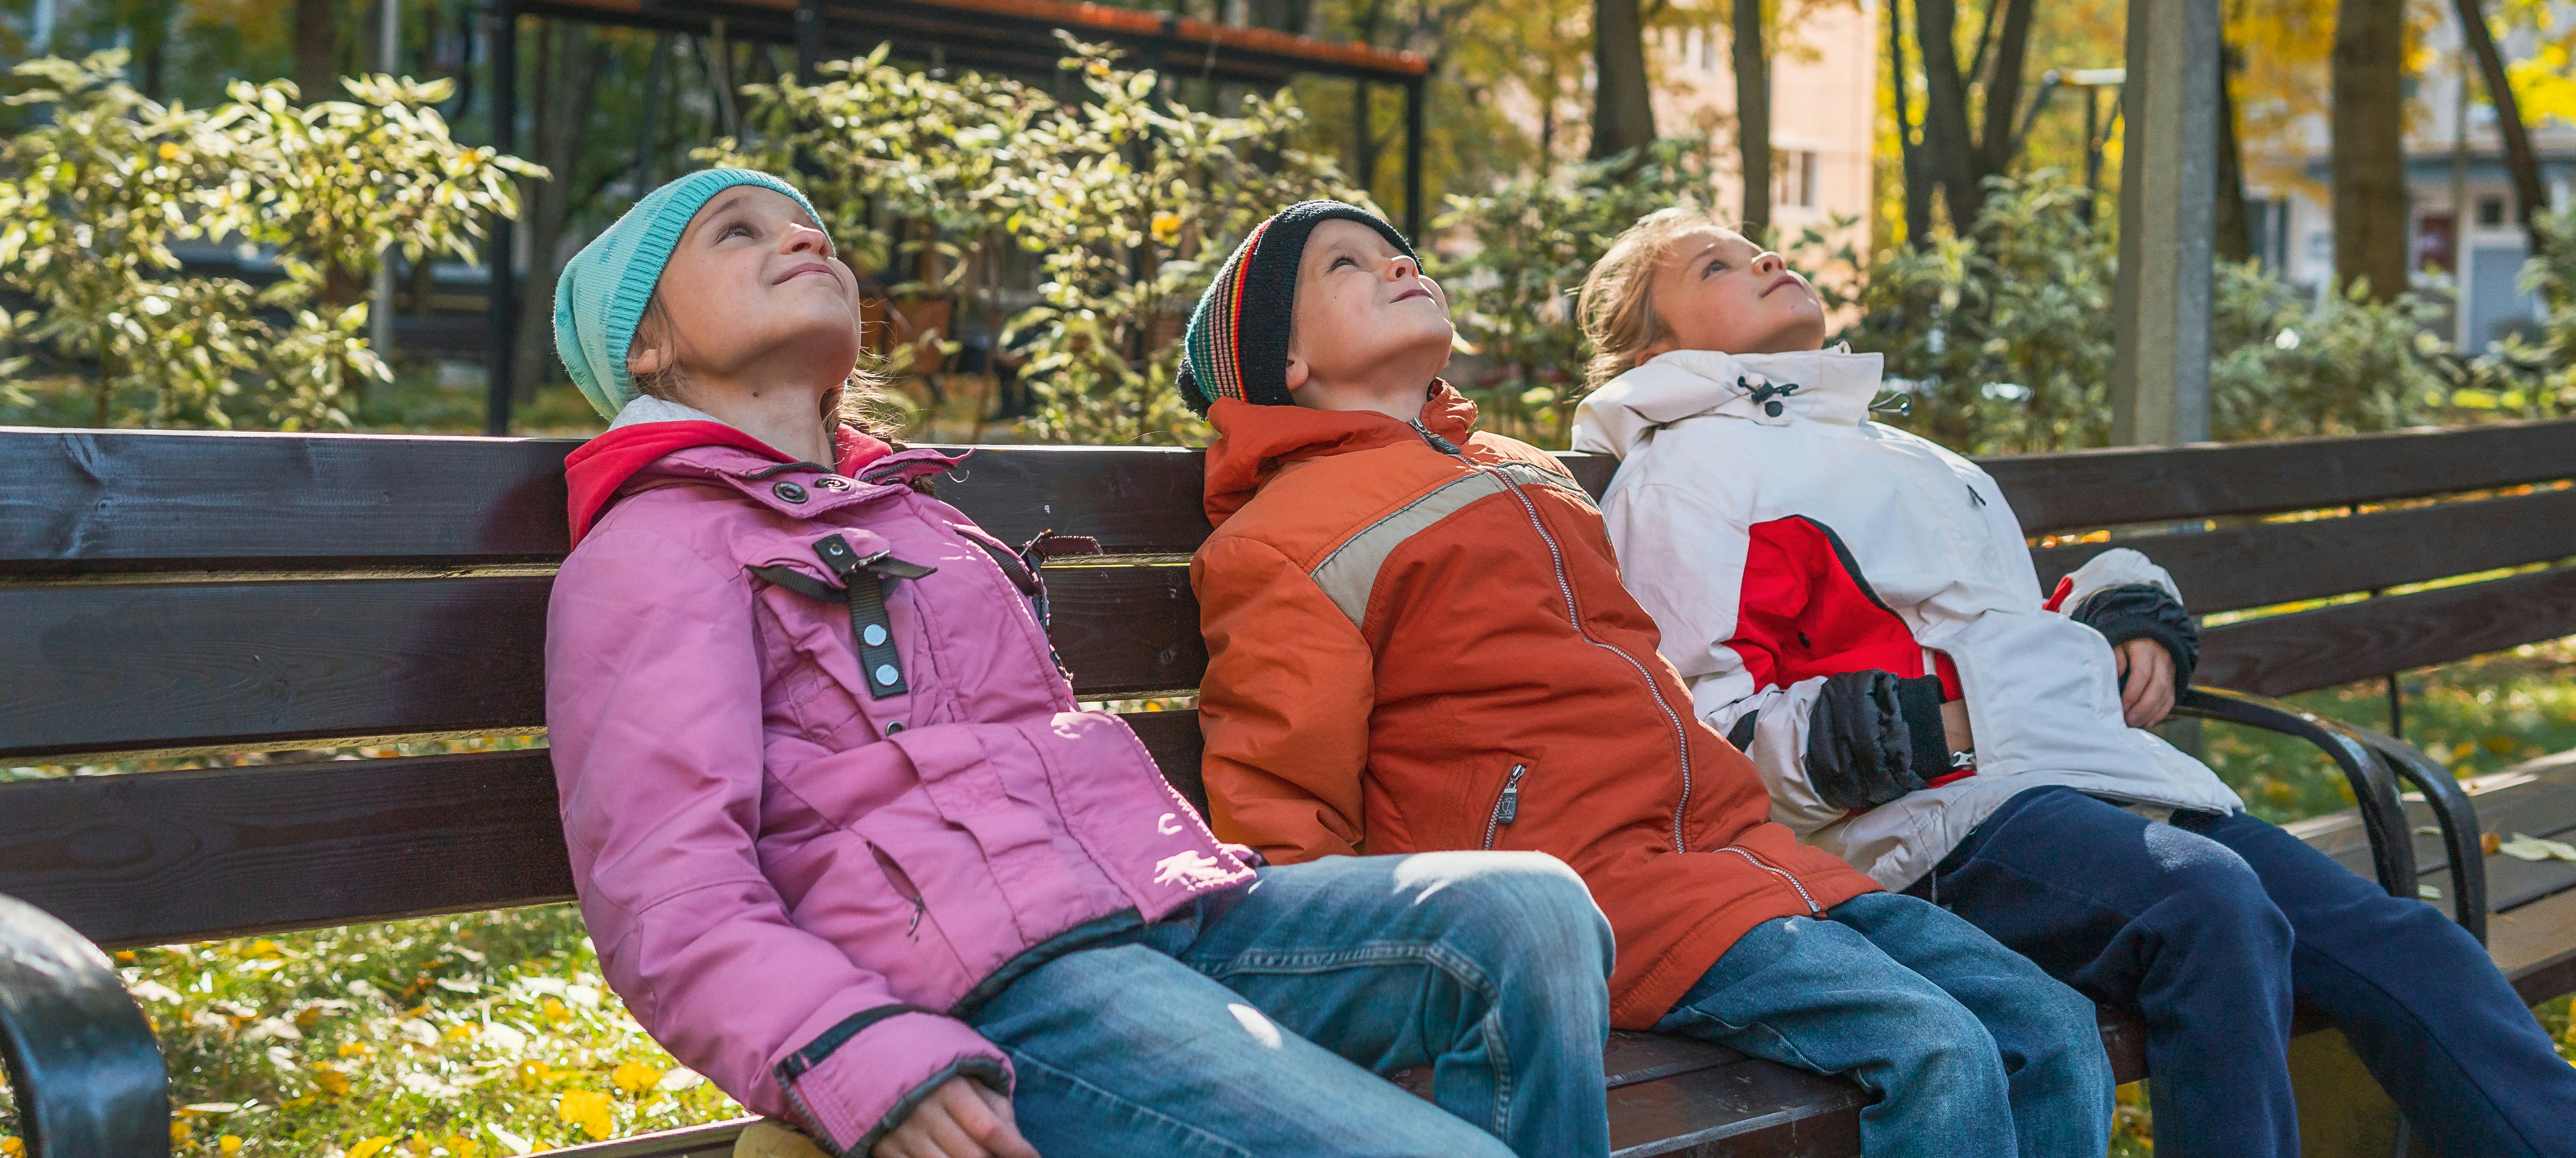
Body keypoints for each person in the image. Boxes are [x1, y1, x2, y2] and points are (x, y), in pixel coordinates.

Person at [543, 168, 1621, 1158]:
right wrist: (854, 1052)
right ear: (646, 348)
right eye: (738, 233)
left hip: (1161, 922)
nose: (799, 238)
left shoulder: (919, 524)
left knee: (1528, 914)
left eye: (810, 228)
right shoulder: (656, 551)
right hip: (989, 991)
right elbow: (668, 893)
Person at [1570, 205, 2576, 1158]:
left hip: (2080, 783)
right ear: (1658, 353)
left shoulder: (1901, 450)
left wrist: (2124, 609)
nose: (1763, 261)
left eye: (1756, 248)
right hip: (1928, 827)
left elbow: (2002, 618)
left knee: (2404, 944)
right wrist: (1927, 730)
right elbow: (1700, 719)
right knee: (2207, 907)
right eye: (1717, 266)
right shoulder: (1686, 473)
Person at [1182, 200, 2113, 1158]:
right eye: (1348, 264)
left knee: (2047, 1026)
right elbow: (1285, 800)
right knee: (1938, 1049)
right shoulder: (1285, 541)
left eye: (1399, 253)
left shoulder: (1518, 469)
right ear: (1284, 366)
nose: (1398, 267)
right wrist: (1350, 997)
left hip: (1737, 855)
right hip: (1585, 892)